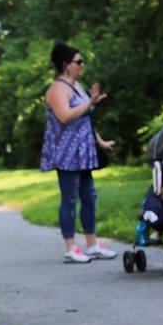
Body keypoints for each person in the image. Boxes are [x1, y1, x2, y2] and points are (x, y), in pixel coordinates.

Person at [40, 42, 118, 264]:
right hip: (66, 153)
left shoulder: (78, 86)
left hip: (83, 152)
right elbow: (65, 116)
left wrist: (100, 142)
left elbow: (85, 119)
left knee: (89, 197)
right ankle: (70, 247)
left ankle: (92, 245)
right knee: (70, 198)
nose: (82, 65)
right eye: (78, 61)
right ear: (66, 65)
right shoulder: (57, 89)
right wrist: (90, 103)